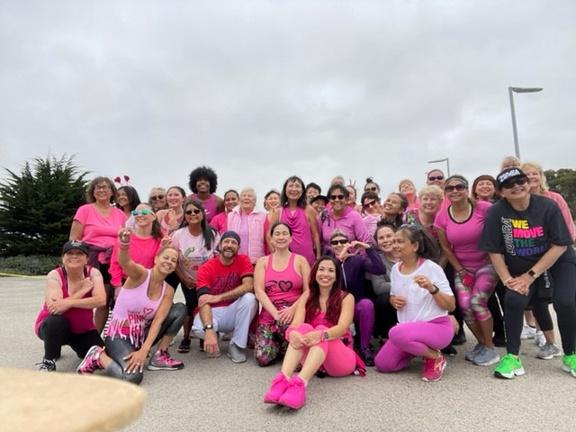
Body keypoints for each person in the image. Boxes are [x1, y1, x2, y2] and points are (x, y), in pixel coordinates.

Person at [479, 167, 576, 379]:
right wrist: (507, 280)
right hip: (521, 265)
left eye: (520, 180)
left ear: (528, 182)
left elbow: (560, 245)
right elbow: (494, 251)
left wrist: (529, 276)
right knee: (513, 299)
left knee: (565, 302)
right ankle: (512, 357)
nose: (516, 186)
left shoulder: (547, 206)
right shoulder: (496, 212)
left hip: (558, 260)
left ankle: (571, 355)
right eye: (509, 184)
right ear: (501, 192)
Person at [77, 229, 186, 384]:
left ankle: (160, 355)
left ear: (175, 267)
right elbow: (125, 262)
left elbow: (158, 321)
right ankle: (98, 357)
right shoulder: (141, 275)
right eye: (166, 257)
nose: (169, 262)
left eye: (173, 261)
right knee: (132, 377)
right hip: (118, 336)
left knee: (179, 309)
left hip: (140, 336)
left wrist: (144, 350)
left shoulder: (168, 290)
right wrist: (124, 244)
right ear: (156, 259)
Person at [263, 256, 363, 410]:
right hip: (314, 357)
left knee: (320, 329)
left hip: (340, 358)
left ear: (336, 276)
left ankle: (300, 384)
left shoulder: (346, 297)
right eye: (321, 269)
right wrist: (292, 334)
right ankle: (283, 380)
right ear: (315, 273)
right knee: (302, 328)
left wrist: (322, 335)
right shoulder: (307, 296)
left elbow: (342, 327)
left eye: (331, 270)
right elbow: (296, 324)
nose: (325, 274)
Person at [374, 225, 456, 382]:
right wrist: (393, 300)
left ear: (415, 246)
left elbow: (451, 305)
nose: (394, 245)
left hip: (437, 328)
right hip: (408, 331)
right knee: (383, 364)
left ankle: (435, 357)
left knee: (395, 333)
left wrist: (432, 288)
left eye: (400, 241)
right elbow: (394, 296)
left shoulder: (431, 268)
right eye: (394, 241)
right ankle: (417, 349)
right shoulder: (395, 269)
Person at [435, 175, 499, 366]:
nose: (455, 190)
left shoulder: (484, 208)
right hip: (462, 268)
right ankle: (482, 343)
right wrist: (461, 270)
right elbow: (446, 248)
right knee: (464, 306)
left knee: (477, 302)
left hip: (486, 264)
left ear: (466, 188)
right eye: (450, 188)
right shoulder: (442, 216)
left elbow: (498, 233)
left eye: (459, 186)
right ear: (445, 192)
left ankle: (490, 348)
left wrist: (493, 256)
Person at [34, 241, 106, 371]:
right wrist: (83, 291)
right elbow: (55, 309)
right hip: (53, 327)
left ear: (87, 259)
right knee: (56, 322)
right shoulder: (55, 275)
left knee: (101, 356)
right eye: (70, 253)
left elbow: (101, 301)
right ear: (63, 258)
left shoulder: (93, 273)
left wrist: (67, 302)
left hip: (82, 330)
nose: (74, 256)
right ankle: (49, 360)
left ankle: (69, 347)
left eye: (79, 253)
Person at [69, 176, 127, 332]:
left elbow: (125, 238)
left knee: (104, 301)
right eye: (98, 187)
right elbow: (74, 239)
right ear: (93, 192)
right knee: (84, 299)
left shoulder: (120, 214)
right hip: (90, 259)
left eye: (105, 187)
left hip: (113, 261)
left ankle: (96, 337)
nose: (102, 190)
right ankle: (78, 333)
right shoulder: (84, 210)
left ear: (112, 192)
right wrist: (74, 262)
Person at [192, 231, 258, 363]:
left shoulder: (243, 260)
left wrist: (219, 298)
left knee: (250, 298)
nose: (229, 245)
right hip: (211, 312)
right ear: (220, 245)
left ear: (238, 248)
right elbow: (204, 301)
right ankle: (213, 336)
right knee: (199, 329)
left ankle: (236, 345)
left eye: (234, 243)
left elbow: (248, 286)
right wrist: (209, 329)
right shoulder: (206, 268)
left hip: (233, 311)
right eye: (226, 241)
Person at [254, 222, 310, 366]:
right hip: (270, 315)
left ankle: (286, 345)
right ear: (271, 239)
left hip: (293, 315)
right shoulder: (263, 261)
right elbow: (259, 291)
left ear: (291, 238)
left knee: (298, 362)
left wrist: (293, 309)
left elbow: (308, 291)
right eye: (277, 234)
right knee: (262, 358)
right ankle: (280, 345)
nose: (281, 237)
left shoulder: (300, 261)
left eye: (285, 233)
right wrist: (275, 314)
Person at [329, 231, 385, 366]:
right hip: (335, 306)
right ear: (330, 246)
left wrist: (368, 248)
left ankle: (365, 347)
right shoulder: (328, 262)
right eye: (335, 242)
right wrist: (339, 260)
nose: (339, 244)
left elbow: (380, 269)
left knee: (366, 304)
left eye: (343, 241)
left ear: (348, 244)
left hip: (356, 304)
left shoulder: (357, 260)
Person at [171, 199, 219, 354]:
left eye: (196, 211)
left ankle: (203, 336)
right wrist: (184, 278)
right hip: (188, 279)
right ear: (184, 215)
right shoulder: (178, 235)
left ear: (202, 214)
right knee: (190, 305)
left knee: (205, 304)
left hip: (207, 280)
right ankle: (186, 337)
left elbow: (217, 259)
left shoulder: (213, 234)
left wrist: (207, 279)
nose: (193, 214)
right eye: (189, 212)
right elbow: (173, 260)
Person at [108, 203, 162, 292]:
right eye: (136, 213)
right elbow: (115, 263)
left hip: (148, 284)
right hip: (125, 283)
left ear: (153, 216)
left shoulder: (159, 240)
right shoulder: (126, 237)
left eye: (144, 212)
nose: (139, 215)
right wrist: (118, 286)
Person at [269, 176, 320, 266]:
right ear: (285, 189)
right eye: (291, 186)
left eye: (297, 186)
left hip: (307, 259)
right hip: (284, 259)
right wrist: (274, 252)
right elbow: (269, 235)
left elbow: (315, 235)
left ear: (302, 190)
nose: (294, 189)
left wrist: (318, 257)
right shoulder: (278, 211)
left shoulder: (309, 210)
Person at [319, 184, 371, 252]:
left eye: (340, 197)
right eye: (333, 197)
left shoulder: (355, 217)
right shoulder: (324, 215)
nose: (337, 200)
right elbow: (320, 241)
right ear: (329, 200)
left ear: (346, 199)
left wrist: (355, 255)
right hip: (328, 257)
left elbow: (366, 241)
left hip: (351, 257)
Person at [226, 188, 269, 264]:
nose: (246, 197)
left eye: (249, 196)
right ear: (239, 200)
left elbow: (267, 238)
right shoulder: (231, 215)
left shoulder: (263, 216)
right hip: (235, 259)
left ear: (255, 201)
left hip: (256, 261)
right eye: (244, 195)